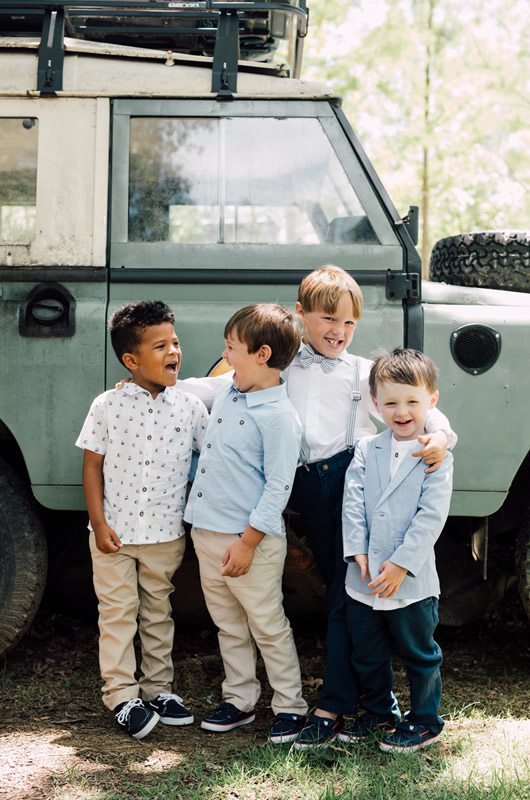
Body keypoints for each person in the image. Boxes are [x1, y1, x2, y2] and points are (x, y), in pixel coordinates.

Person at [285, 265, 457, 750]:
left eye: (349, 324)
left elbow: (424, 410)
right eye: (327, 319)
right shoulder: (283, 363)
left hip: (347, 481)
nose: (338, 332)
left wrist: (442, 436)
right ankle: (364, 703)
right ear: (301, 316)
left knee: (346, 598)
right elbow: (230, 384)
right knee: (345, 599)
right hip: (300, 486)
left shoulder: (365, 372)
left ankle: (338, 703)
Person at [76, 300, 209, 739]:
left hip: (165, 534)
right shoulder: (107, 405)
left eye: (175, 342)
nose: (174, 350)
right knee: (117, 613)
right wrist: (98, 523)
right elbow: (92, 466)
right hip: (112, 532)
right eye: (160, 345)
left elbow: (213, 450)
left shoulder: (190, 407)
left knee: (157, 612)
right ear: (131, 360)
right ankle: (120, 694)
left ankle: (158, 689)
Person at [185, 303, 309, 744]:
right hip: (206, 532)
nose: (225, 355)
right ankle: (239, 700)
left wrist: (247, 542)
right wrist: (148, 384)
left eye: (231, 348)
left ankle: (291, 706)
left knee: (266, 623)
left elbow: (278, 488)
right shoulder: (229, 389)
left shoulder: (279, 417)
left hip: (248, 542)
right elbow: (196, 386)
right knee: (228, 623)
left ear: (261, 354)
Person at [340, 348, 453, 752]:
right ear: (375, 404)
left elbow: (431, 517)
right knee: (367, 654)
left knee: (419, 653)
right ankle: (379, 712)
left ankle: (425, 720)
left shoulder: (435, 455)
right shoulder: (367, 449)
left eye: (411, 402)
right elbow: (352, 503)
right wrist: (358, 553)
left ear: (431, 401)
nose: (401, 411)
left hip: (412, 580)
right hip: (365, 577)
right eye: (390, 403)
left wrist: (402, 565)